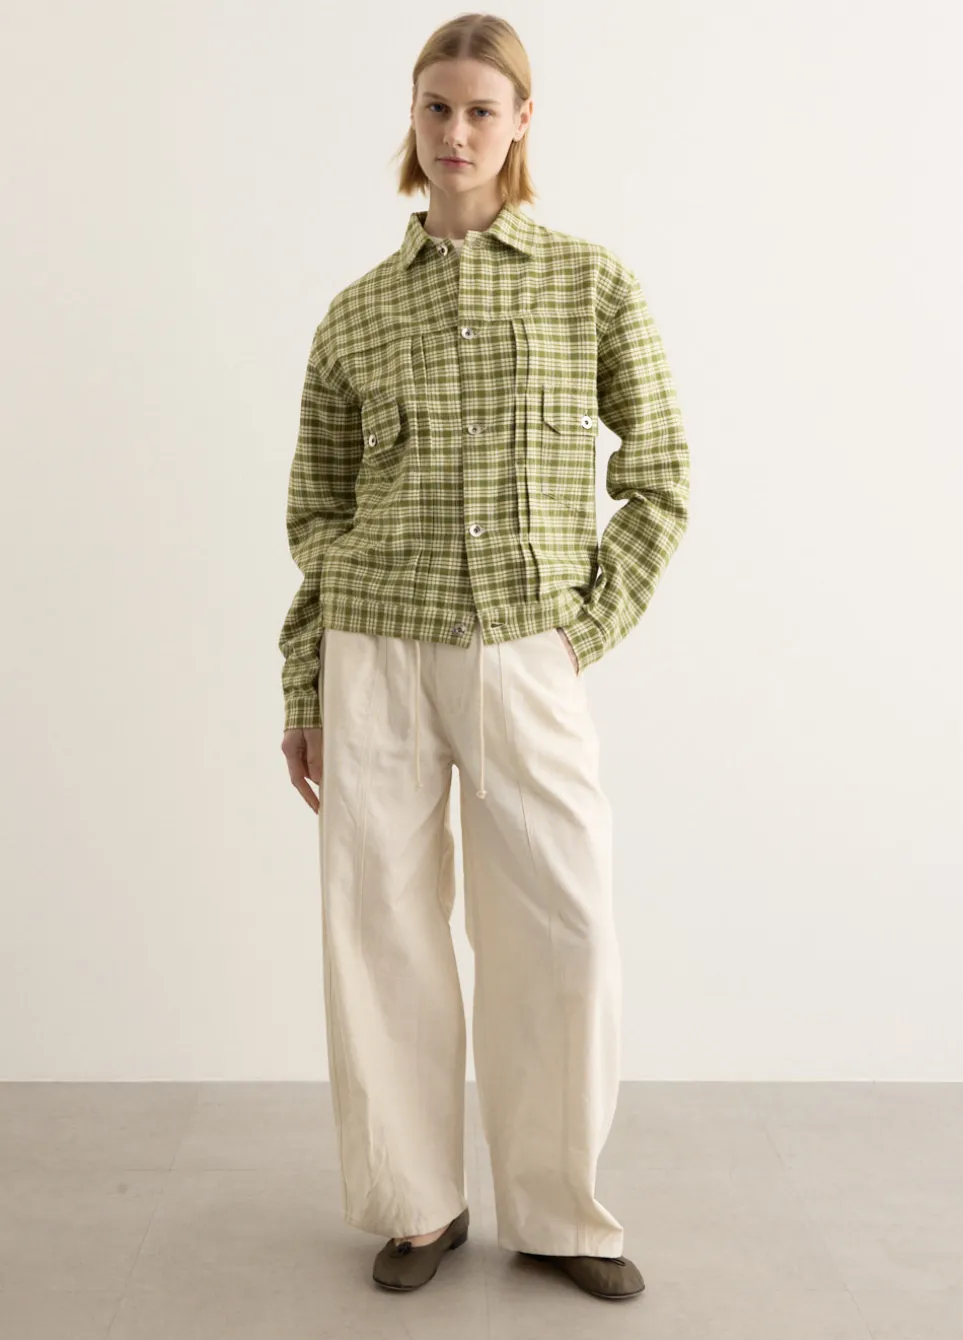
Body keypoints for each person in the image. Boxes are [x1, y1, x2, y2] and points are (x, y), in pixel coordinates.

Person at [278, 13, 689, 1302]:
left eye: (479, 110)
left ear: (520, 125)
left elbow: (663, 476)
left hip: (524, 653)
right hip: (376, 654)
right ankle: (418, 1206)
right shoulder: (356, 314)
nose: (455, 131)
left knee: (562, 926)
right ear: (413, 119)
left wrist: (583, 632)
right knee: (383, 928)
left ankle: (560, 1215)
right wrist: (305, 686)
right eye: (436, 107)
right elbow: (317, 520)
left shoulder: (591, 283)